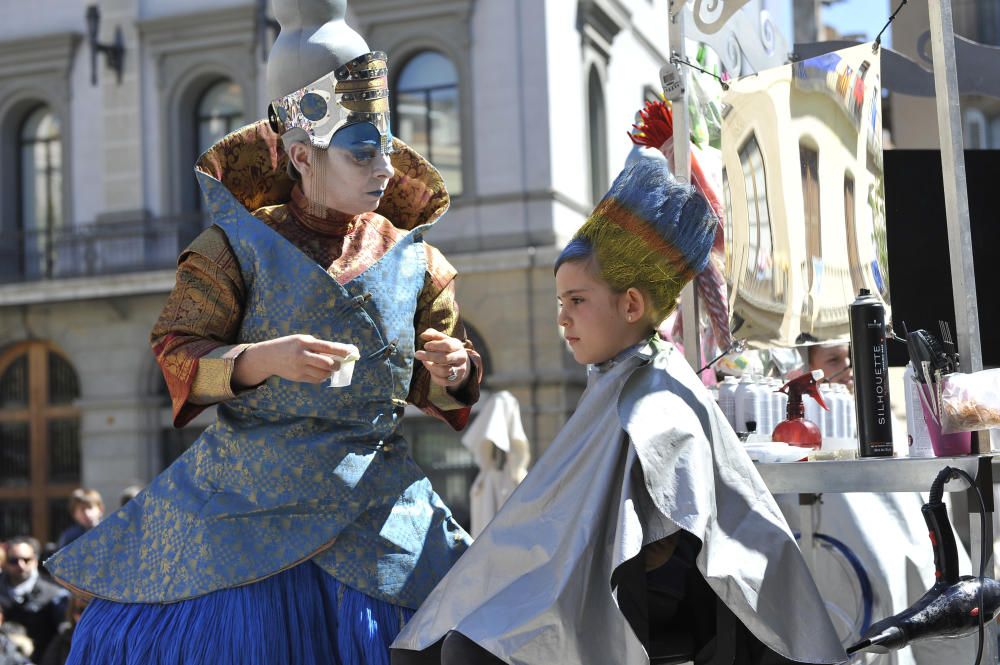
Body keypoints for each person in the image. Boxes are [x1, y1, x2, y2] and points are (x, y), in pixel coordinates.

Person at [44, 3, 479, 663]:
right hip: (244, 509)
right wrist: (258, 360)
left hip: (380, 514)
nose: (385, 171)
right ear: (302, 154)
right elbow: (177, 354)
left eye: (387, 151)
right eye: (364, 153)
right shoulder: (233, 248)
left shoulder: (414, 258)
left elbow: (438, 380)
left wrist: (456, 369)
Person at [391, 157, 846, 665]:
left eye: (577, 300)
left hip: (641, 606)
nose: (562, 318)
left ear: (631, 305)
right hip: (579, 583)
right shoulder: (621, 380)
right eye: (560, 301)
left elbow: (663, 550)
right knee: (433, 645)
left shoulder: (656, 402)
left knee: (465, 650)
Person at [0, 537, 68, 659]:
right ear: (5, 562)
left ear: (36, 560)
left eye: (26, 560)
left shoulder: (54, 592)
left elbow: (63, 633)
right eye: (13, 561)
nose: (20, 565)